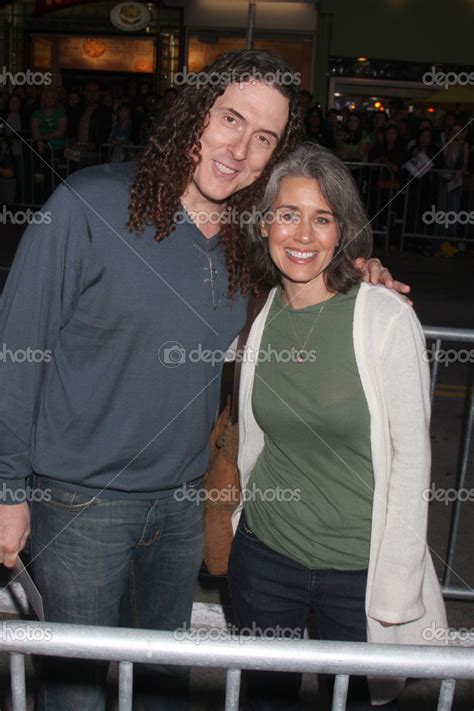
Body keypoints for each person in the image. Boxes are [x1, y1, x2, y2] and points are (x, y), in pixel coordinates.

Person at [0, 50, 408, 711]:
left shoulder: (250, 242)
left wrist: (368, 280)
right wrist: (6, 489)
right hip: (79, 506)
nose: (240, 149)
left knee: (167, 683)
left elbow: (313, 272)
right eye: (229, 119)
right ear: (195, 115)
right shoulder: (87, 203)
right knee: (74, 690)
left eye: (264, 138)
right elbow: (16, 347)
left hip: (183, 505)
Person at [227, 143, 447, 710]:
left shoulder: (384, 318)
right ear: (264, 223)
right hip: (266, 556)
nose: (303, 235)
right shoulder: (256, 310)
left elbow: (411, 459)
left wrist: (396, 588)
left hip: (358, 571)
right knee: (262, 700)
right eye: (288, 214)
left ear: (342, 229)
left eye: (321, 218)